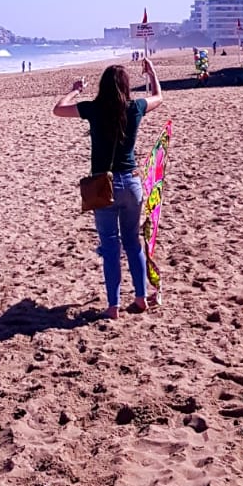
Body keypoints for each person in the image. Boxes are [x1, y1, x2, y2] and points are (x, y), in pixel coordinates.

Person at [53, 59, 163, 320]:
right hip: (131, 184)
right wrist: (151, 74)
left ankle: (113, 306)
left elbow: (58, 109)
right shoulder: (134, 108)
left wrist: (75, 90)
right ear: (126, 86)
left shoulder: (94, 109)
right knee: (133, 242)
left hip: (104, 186)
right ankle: (140, 298)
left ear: (103, 86)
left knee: (111, 246)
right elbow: (159, 97)